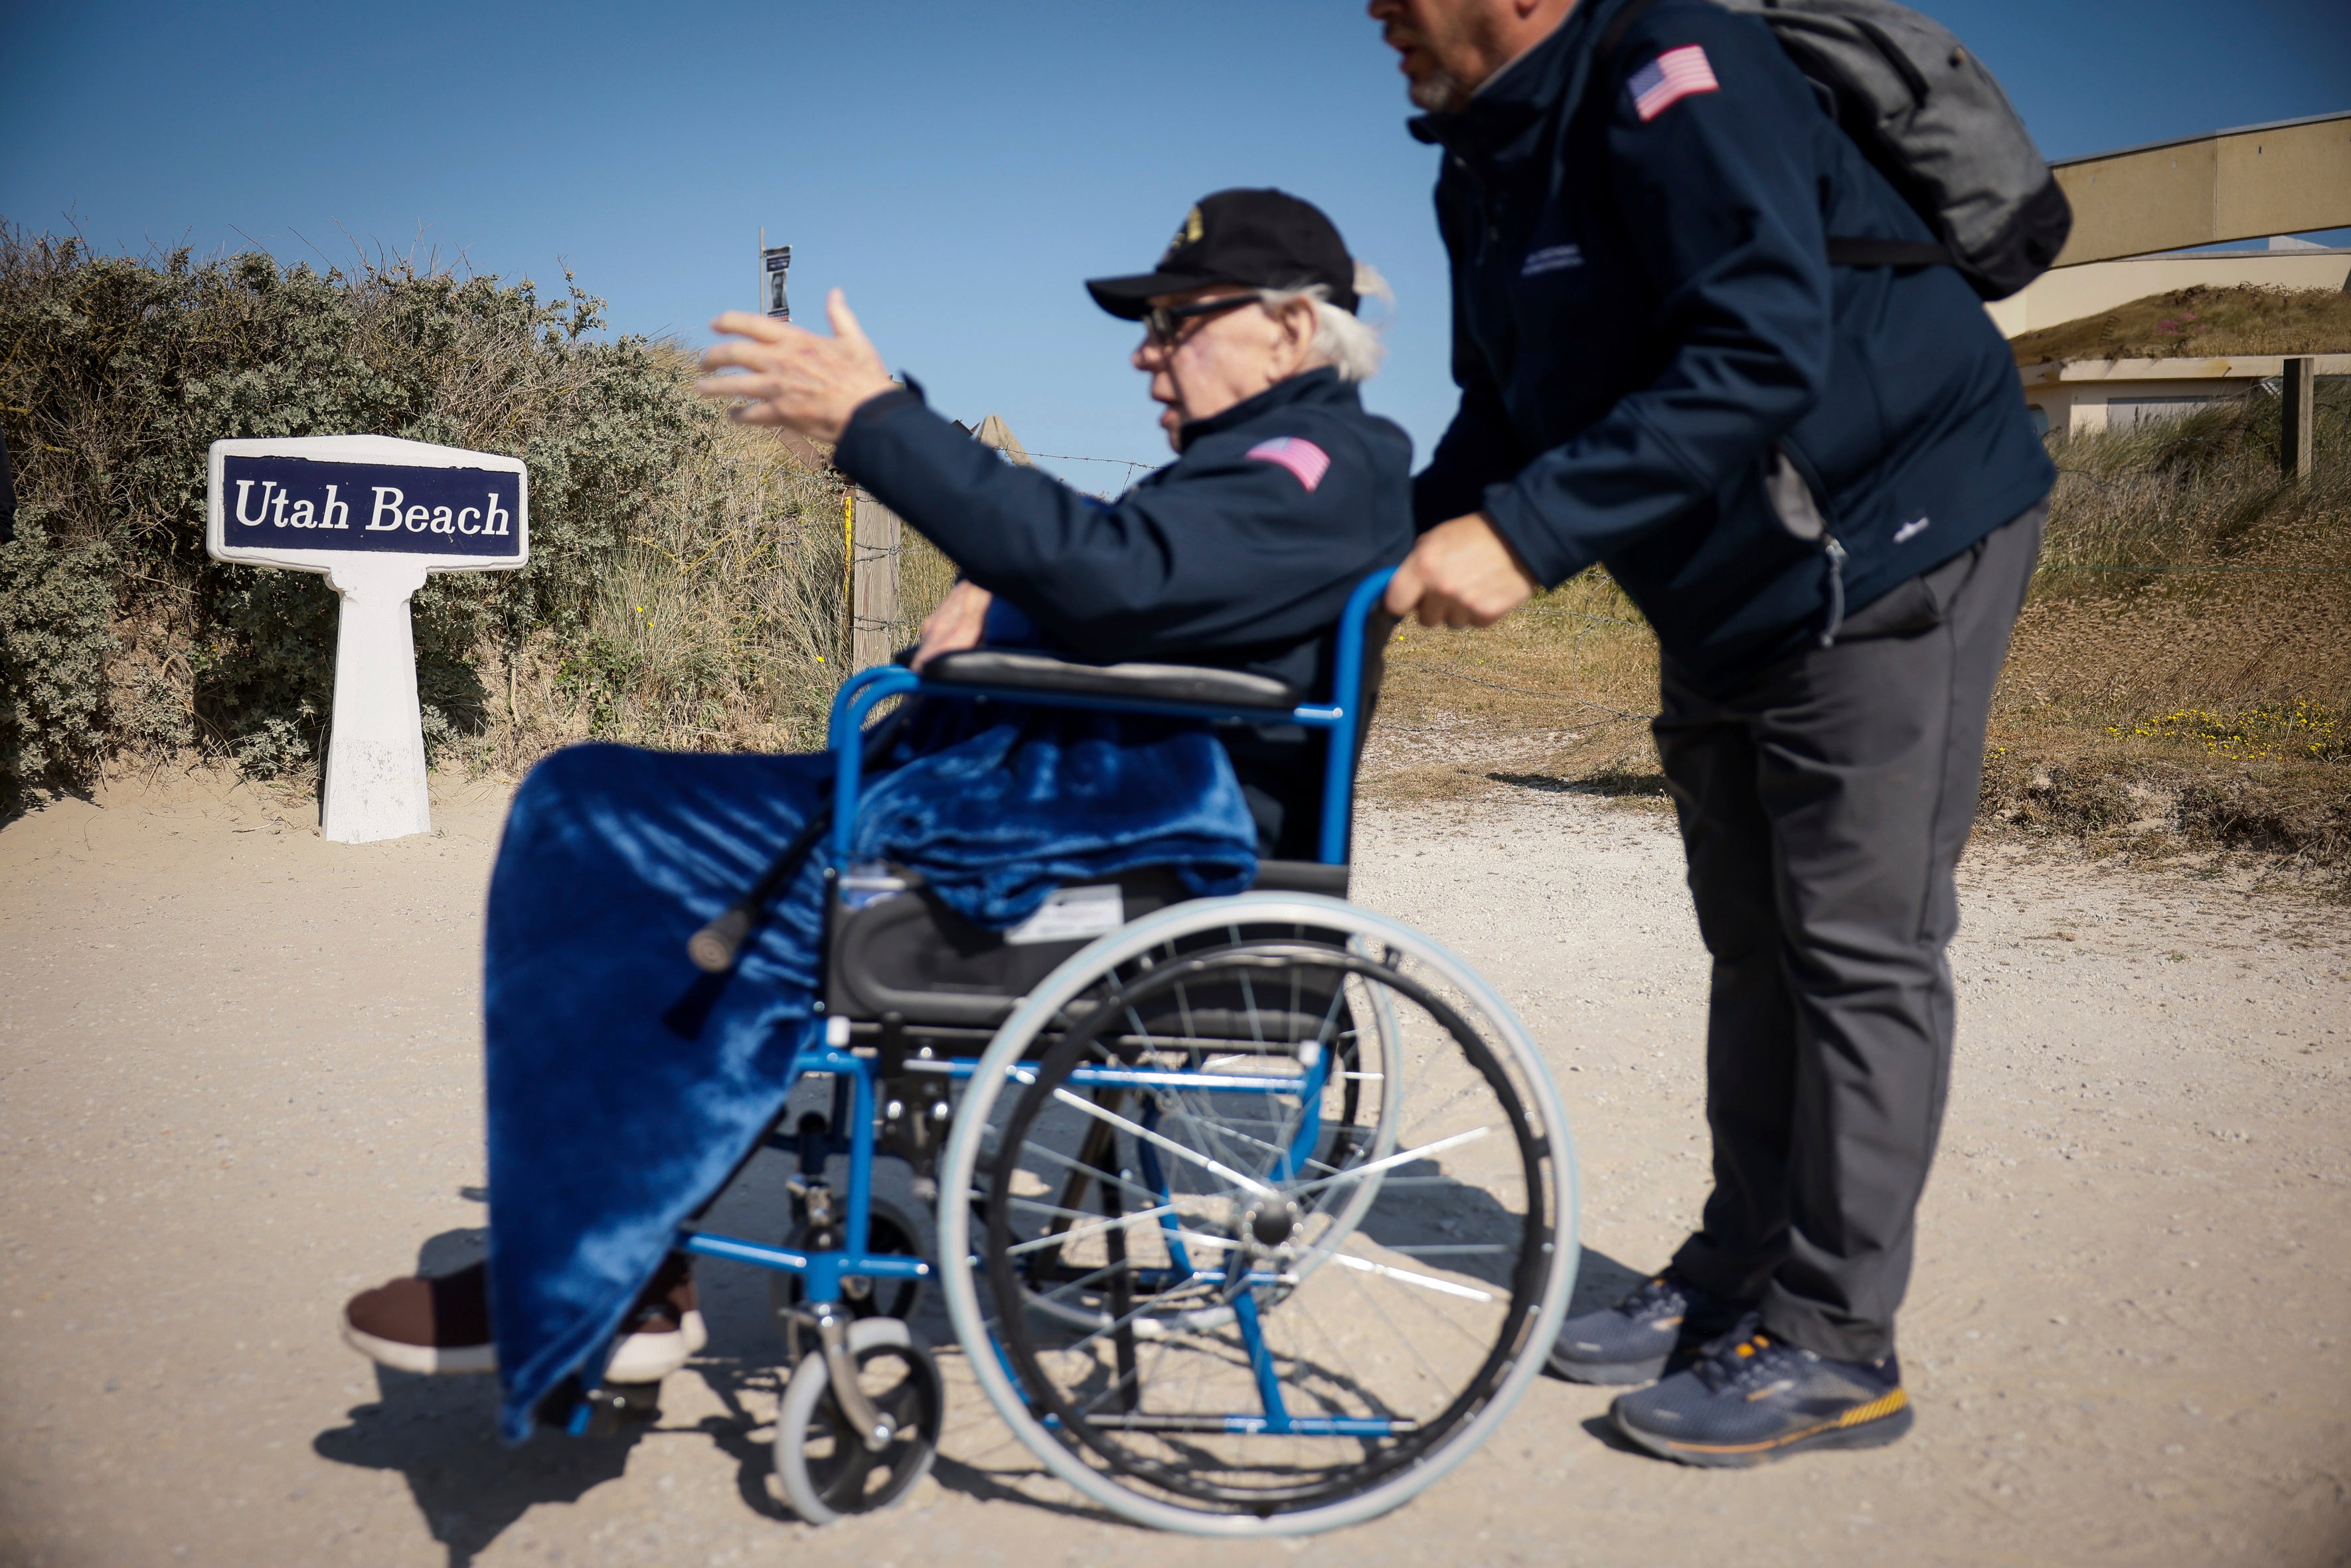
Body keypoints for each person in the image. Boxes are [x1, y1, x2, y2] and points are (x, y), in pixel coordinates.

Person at [339, 189, 1417, 1441]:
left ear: (1290, 330)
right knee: (593, 804)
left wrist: (882, 428)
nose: (1145, 349)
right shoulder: (1282, 464)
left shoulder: (1310, 465)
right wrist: (1003, 592)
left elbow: (1125, 586)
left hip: (1119, 850)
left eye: (1177, 321)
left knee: (596, 822)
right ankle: (610, 1252)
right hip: (1060, 802)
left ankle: (595, 1273)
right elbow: (1139, 581)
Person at [1366, 0, 2054, 1466]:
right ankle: (1738, 1268)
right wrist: (1368, 552)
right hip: (1727, 585)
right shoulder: (1475, 163)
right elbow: (1503, 410)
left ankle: (1833, 1341)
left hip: (1888, 534)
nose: (1369, 6)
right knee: (1752, 934)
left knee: (1856, 943)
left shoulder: (1679, 67)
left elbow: (1759, 347)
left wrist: (1528, 537)